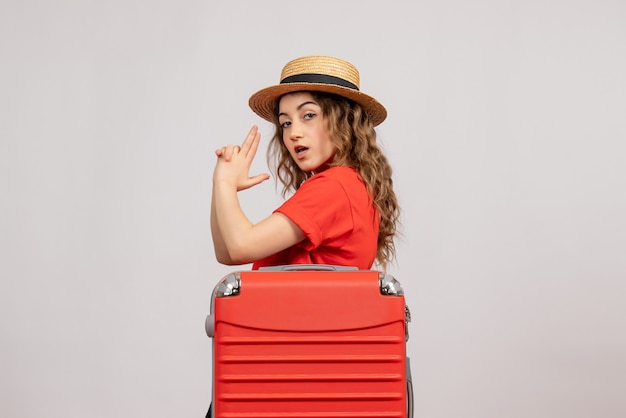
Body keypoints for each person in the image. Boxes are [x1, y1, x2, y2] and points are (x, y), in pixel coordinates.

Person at [210, 55, 400, 272]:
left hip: (302, 307)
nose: (293, 133)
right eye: (286, 123)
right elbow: (225, 253)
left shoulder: (334, 186)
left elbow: (239, 247)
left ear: (344, 119)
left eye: (308, 115)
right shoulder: (353, 184)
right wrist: (220, 184)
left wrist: (225, 182)